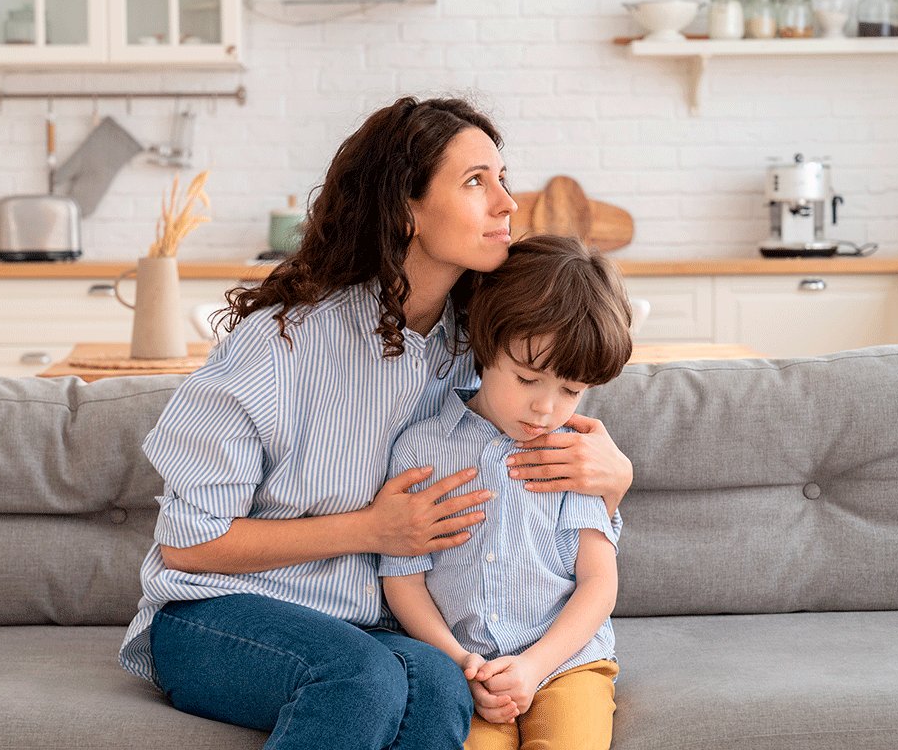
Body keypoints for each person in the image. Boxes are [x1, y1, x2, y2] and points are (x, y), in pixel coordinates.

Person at [117, 97, 634, 750]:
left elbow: (546, 422)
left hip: (369, 624)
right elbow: (191, 545)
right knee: (362, 677)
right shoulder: (280, 343)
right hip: (217, 613)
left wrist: (614, 478)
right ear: (407, 208)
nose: (507, 202)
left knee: (441, 685)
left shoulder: (472, 348)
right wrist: (370, 529)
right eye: (476, 182)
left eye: (503, 177)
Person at [380, 234, 632, 750]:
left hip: (566, 665)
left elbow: (598, 585)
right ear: (483, 344)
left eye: (570, 390)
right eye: (527, 378)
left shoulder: (573, 457)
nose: (546, 409)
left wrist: (535, 666)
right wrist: (457, 662)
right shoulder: (421, 449)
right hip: (462, 670)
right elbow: (403, 579)